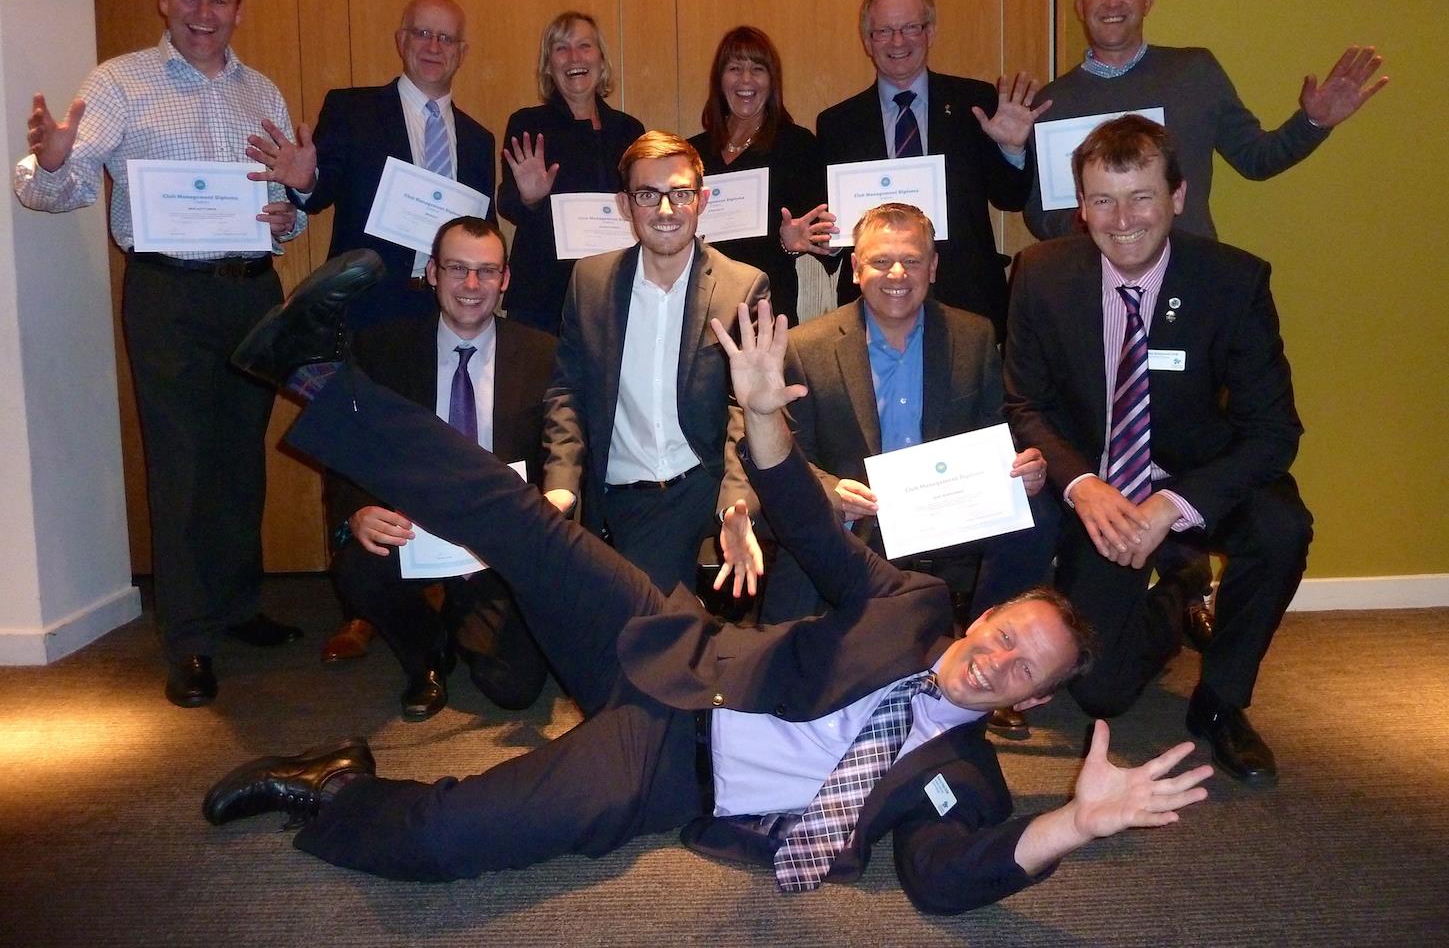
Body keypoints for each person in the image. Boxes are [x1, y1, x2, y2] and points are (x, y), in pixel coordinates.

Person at [205, 273, 1211, 913]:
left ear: (1030, 702)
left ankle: (332, 787)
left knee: (454, 835)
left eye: (1023, 671)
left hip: (665, 766)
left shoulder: (963, 781)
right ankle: (318, 375)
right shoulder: (907, 606)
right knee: (520, 521)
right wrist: (767, 419)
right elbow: (809, 523)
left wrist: (1075, 826)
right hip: (664, 639)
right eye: (1006, 635)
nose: (997, 658)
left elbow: (944, 880)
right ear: (984, 616)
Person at [12, 0, 308, 708]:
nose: (204, 13)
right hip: (167, 296)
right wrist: (47, 162)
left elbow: (283, 216)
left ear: (238, 9)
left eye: (219, 0)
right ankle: (189, 637)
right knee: (180, 463)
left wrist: (288, 209)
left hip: (250, 289)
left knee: (241, 457)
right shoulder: (119, 84)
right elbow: (63, 187)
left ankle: (240, 606)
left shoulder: (262, 93)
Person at [1003, 114, 1312, 785]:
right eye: (1102, 200)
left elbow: (1273, 431)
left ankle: (1222, 700)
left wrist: (1172, 506)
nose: (1122, 220)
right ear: (1080, 207)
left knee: (1281, 527)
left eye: (1140, 196)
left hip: (1199, 479)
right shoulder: (1040, 275)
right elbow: (1023, 405)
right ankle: (1177, 591)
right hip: (1101, 488)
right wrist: (1082, 486)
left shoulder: (1232, 282)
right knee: (1099, 693)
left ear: (1176, 195)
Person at [721, 203, 1060, 738]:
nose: (896, 275)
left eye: (911, 260)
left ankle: (988, 670)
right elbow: (787, 454)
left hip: (948, 519)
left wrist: (1023, 466)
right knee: (793, 614)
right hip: (856, 528)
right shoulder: (809, 347)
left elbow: (996, 430)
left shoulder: (973, 336)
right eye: (881, 262)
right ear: (856, 268)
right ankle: (787, 680)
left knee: (1037, 508)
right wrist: (830, 490)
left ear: (933, 268)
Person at [323, 216, 553, 720]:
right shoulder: (383, 349)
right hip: (416, 529)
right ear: (432, 272)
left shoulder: (542, 354)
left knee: (513, 688)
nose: (472, 286)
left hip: (499, 538)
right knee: (359, 565)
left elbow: (560, 453)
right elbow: (348, 446)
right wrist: (358, 509)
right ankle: (424, 653)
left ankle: (464, 619)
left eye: (486, 271)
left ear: (505, 279)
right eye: (456, 269)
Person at [1023, 0, 1387, 241]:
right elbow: (1042, 216)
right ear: (1081, 7)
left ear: (1147, 2)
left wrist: (1313, 122)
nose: (1113, 1)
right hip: (1092, 288)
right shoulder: (1053, 101)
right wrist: (1108, 229)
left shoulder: (1194, 72)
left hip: (1192, 280)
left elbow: (1256, 160)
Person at [540, 132, 768, 594]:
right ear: (625, 205)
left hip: (701, 486)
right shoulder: (591, 280)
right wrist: (562, 482)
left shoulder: (742, 287)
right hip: (617, 489)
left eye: (680, 193)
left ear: (701, 200)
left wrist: (735, 505)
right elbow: (567, 391)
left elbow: (749, 410)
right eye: (648, 195)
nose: (666, 210)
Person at [816, 0, 1049, 339]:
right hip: (875, 306)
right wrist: (819, 239)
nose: (898, 41)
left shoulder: (976, 102)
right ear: (867, 40)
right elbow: (832, 229)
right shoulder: (838, 124)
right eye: (884, 31)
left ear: (931, 32)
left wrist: (1013, 149)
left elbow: (1010, 197)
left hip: (966, 301)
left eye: (911, 27)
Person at [251, 0, 495, 332]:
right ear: (401, 40)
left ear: (462, 53)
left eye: (446, 38)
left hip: (450, 313)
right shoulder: (351, 111)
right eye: (422, 33)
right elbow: (322, 190)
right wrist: (307, 182)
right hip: (367, 308)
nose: (433, 47)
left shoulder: (479, 140)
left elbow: (484, 230)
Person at [499, 12, 645, 333]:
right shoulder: (528, 124)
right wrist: (530, 198)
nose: (574, 57)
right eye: (561, 48)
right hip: (543, 296)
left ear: (601, 60)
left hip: (613, 292)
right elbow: (506, 203)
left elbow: (641, 203)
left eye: (584, 46)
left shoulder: (629, 130)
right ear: (548, 65)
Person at [687, 25, 835, 325]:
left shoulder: (796, 145)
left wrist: (789, 242)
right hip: (699, 314)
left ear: (772, 81)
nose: (745, 79)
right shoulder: (690, 153)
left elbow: (824, 236)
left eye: (757, 69)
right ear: (719, 79)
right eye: (734, 68)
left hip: (764, 310)